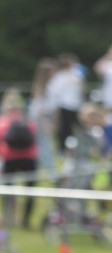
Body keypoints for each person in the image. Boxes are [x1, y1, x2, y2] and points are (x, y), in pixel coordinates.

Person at [0, 89, 38, 229]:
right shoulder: (28, 119)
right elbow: (35, 138)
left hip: (10, 157)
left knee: (8, 191)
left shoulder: (3, 121)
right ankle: (25, 220)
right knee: (30, 190)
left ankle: (10, 218)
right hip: (29, 157)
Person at [46, 53, 85, 151]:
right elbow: (55, 93)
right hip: (64, 106)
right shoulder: (60, 77)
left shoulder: (76, 75)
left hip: (75, 106)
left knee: (76, 129)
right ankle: (63, 149)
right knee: (65, 130)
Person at [28, 57, 57, 177]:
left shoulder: (48, 86)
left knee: (44, 145)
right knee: (45, 145)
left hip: (43, 118)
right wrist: (46, 123)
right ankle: (51, 173)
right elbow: (39, 110)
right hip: (40, 119)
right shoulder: (41, 89)